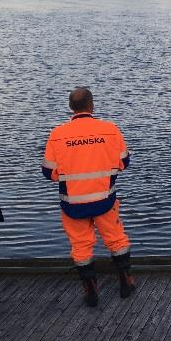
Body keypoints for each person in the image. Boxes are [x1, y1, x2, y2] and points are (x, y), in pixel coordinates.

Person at [42, 87, 134, 307]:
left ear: (71, 107)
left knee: (81, 245)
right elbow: (124, 162)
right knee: (116, 239)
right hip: (105, 200)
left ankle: (90, 288)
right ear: (91, 105)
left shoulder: (57, 134)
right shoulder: (110, 130)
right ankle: (125, 281)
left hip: (73, 204)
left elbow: (48, 173)